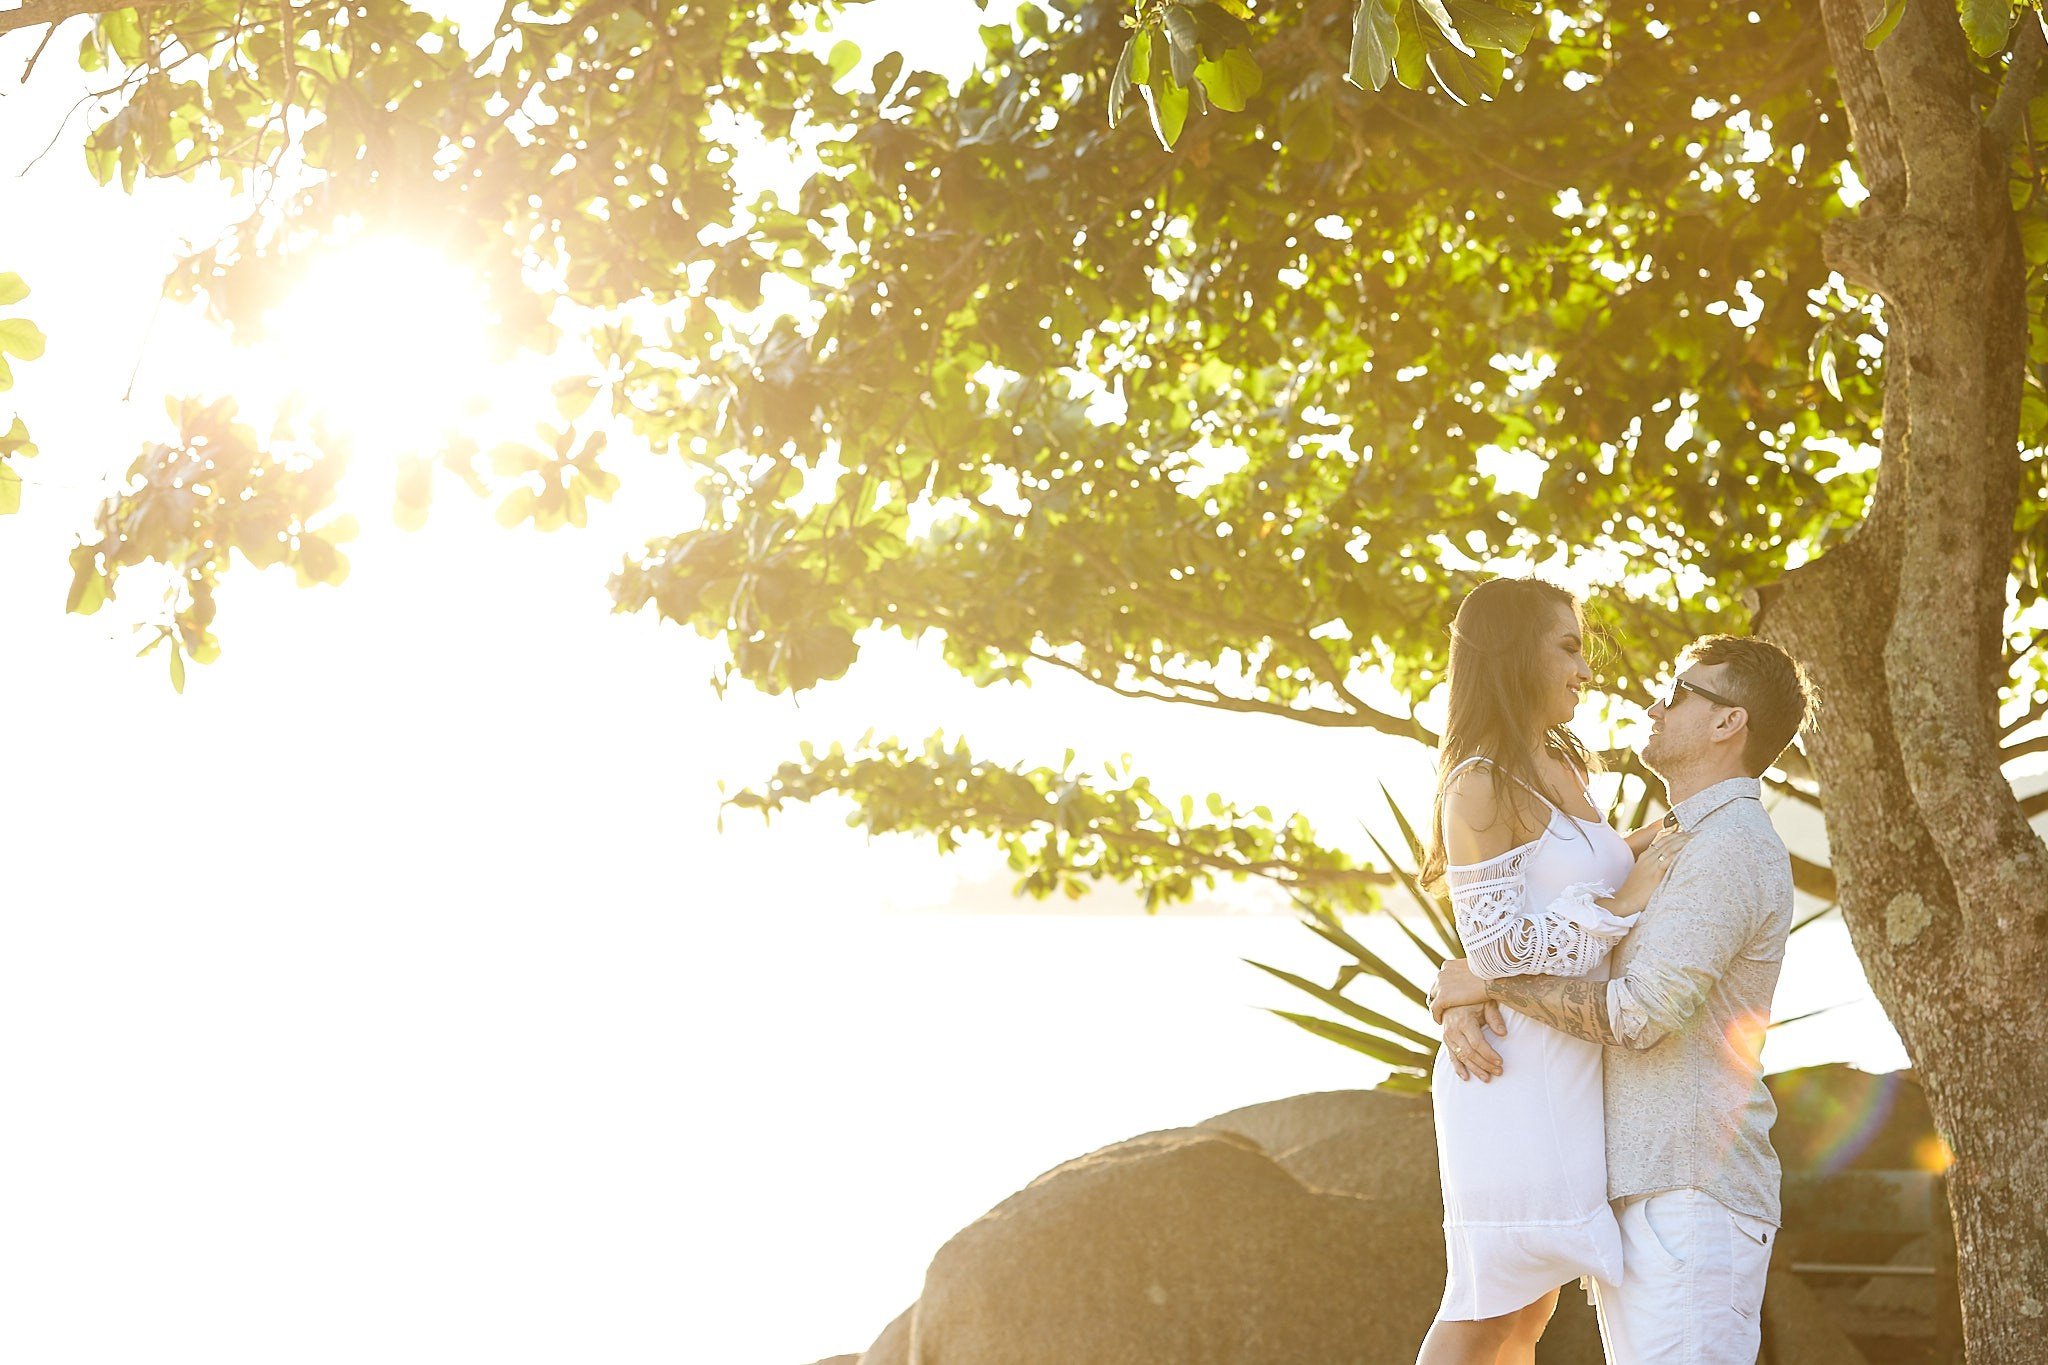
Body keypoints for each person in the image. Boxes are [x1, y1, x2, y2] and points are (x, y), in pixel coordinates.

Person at [1430, 633, 1816, 1365]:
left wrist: (1487, 983)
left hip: (1690, 1195)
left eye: (1677, 693)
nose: (1653, 706)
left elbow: (1638, 1014)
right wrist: (1470, 980)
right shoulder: (1685, 838)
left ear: (1727, 722)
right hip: (1650, 1191)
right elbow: (1555, 923)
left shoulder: (1728, 846)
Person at [1413, 578, 1687, 1365]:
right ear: (1512, 653)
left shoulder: (1560, 761)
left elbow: (1575, 872)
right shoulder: (1478, 783)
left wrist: (1674, 830)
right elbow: (1498, 948)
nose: (1586, 670)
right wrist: (1625, 900)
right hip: (1508, 1069)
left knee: (1530, 1310)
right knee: (1486, 1305)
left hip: (1565, 1062)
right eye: (1568, 648)